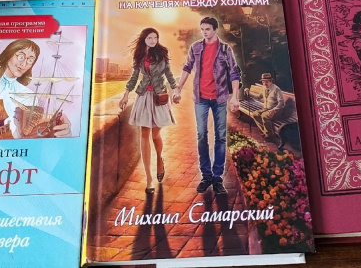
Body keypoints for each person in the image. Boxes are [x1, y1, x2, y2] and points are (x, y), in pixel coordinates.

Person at [172, 16, 241, 195]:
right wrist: (178, 88)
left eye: (208, 29)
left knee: (220, 137)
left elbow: (234, 73)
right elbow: (187, 68)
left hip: (219, 99)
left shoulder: (225, 49)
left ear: (215, 29)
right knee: (202, 135)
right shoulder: (195, 47)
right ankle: (206, 176)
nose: (204, 32)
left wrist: (235, 97)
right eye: (202, 29)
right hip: (200, 98)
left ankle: (217, 178)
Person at [119, 28, 178, 193]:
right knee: (144, 134)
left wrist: (176, 90)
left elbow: (169, 74)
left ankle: (159, 159)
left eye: (155, 37)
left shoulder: (162, 53)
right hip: (144, 96)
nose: (153, 40)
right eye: (150, 38)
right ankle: (149, 179)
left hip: (159, 97)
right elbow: (134, 77)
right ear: (144, 39)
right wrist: (125, 95)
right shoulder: (139, 56)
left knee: (155, 135)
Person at [248, 73, 285, 144]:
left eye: (267, 81)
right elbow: (258, 97)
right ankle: (266, 133)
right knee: (255, 114)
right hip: (266, 108)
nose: (265, 83)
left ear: (271, 81)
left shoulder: (276, 89)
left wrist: (274, 110)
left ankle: (270, 136)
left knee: (264, 116)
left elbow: (281, 103)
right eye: (263, 82)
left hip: (276, 110)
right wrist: (249, 93)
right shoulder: (264, 88)